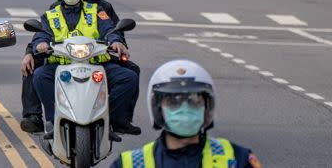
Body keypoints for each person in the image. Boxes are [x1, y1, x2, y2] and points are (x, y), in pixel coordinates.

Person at [29, 0, 140, 138]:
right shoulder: (50, 15)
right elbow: (42, 33)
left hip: (96, 63)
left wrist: (116, 41)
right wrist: (41, 43)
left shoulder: (96, 11)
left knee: (129, 78)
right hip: (61, 66)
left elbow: (110, 29)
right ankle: (53, 120)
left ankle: (112, 120)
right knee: (39, 76)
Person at [111, 60, 261, 168]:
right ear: (158, 108)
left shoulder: (237, 159)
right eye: (174, 101)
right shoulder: (130, 164)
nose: (184, 108)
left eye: (193, 100)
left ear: (206, 106)